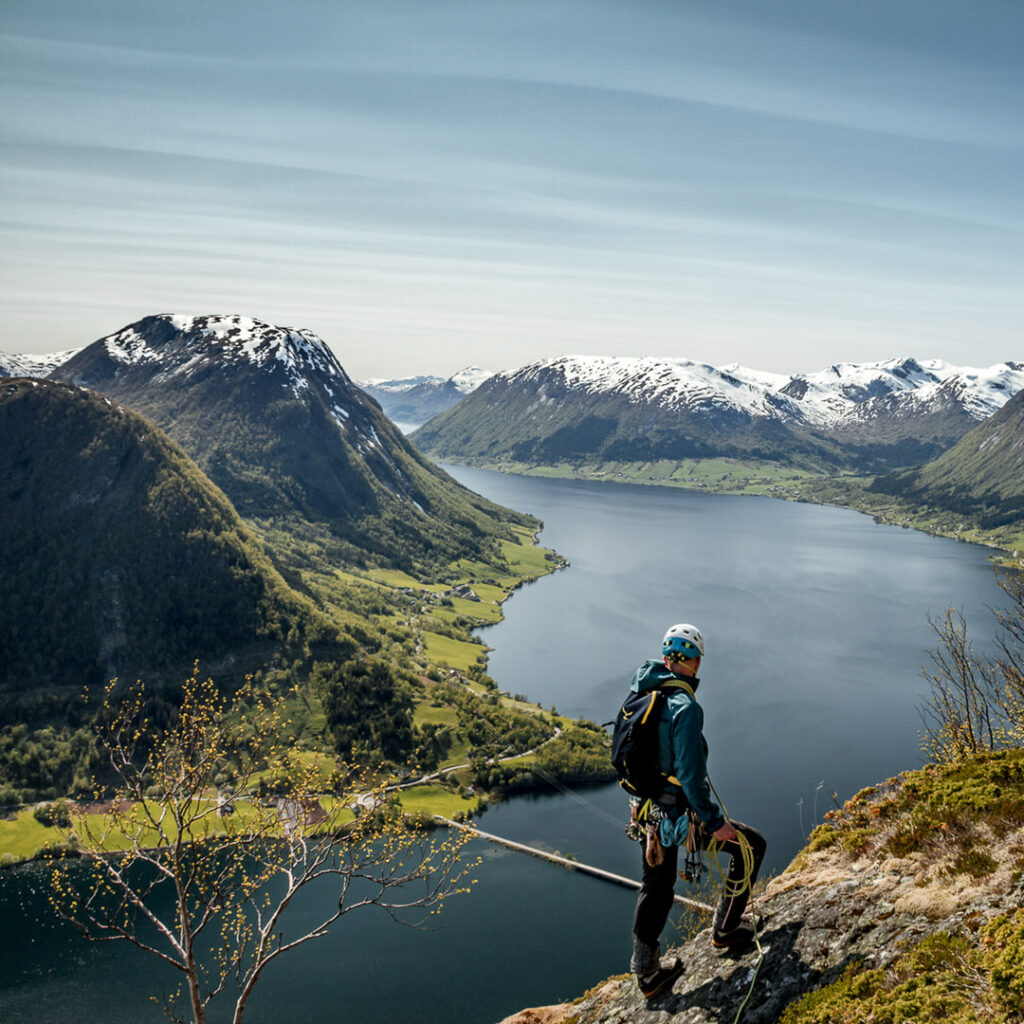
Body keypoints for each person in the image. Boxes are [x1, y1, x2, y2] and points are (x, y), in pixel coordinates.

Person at [629, 622, 767, 1000]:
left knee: (656, 887)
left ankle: (646, 970)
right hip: (676, 816)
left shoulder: (644, 690)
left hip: (648, 813)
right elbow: (690, 776)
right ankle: (724, 930)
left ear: (665, 657)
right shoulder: (685, 706)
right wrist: (714, 822)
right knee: (750, 846)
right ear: (696, 661)